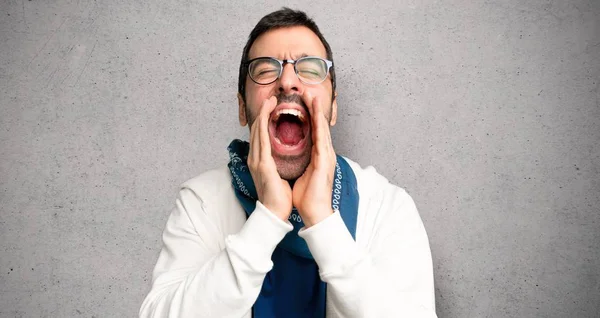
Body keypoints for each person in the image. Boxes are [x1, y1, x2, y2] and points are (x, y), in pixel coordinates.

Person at [140, 8, 436, 318]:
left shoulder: (387, 206)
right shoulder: (201, 202)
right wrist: (266, 219)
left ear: (333, 109)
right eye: (266, 69)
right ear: (243, 108)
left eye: (310, 69)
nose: (287, 81)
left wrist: (323, 222)